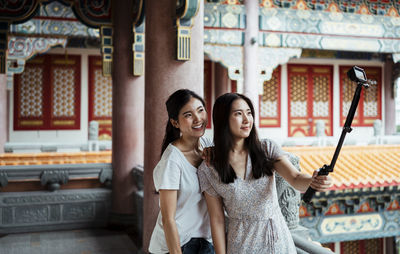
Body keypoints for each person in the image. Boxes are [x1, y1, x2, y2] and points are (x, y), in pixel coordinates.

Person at [198, 93, 332, 254]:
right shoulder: (209, 168)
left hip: (277, 240)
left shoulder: (266, 149)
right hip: (241, 243)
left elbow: (295, 178)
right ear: (223, 119)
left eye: (249, 113)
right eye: (238, 114)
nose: (247, 120)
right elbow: (217, 219)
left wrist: (314, 180)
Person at [149, 89, 215, 254]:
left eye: (200, 110)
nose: (198, 118)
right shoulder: (172, 160)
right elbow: (168, 219)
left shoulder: (208, 145)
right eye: (188, 115)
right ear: (175, 122)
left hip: (206, 240)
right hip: (176, 245)